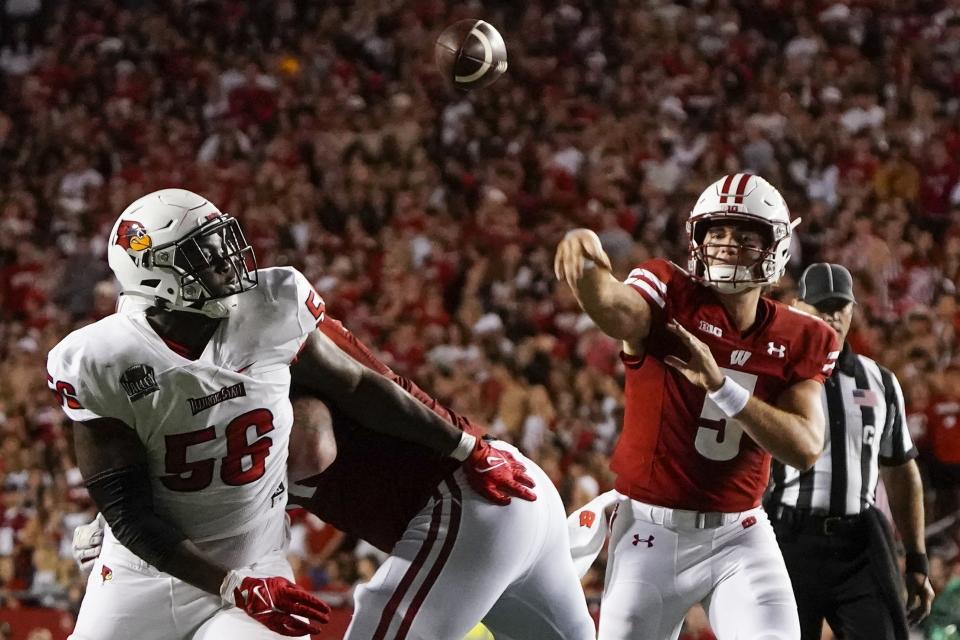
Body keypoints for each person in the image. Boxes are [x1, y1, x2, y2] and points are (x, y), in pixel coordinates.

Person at [48, 189, 534, 640]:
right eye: (201, 251)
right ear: (151, 273)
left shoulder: (270, 304)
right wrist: (230, 586)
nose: (224, 257)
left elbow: (362, 384)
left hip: (256, 562)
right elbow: (129, 512)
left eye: (220, 240)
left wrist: (466, 445)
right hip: (145, 575)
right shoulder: (104, 358)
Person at [73, 311, 596, 640]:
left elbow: (353, 408)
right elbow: (204, 460)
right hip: (517, 490)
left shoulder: (273, 347)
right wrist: (113, 515)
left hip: (470, 504)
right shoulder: (248, 357)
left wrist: (468, 448)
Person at [555, 173, 840, 640]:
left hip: (740, 533)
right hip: (649, 531)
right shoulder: (669, 291)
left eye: (746, 235)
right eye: (718, 232)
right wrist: (586, 267)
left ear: (776, 245)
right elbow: (615, 307)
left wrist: (720, 385)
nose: (728, 244)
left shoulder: (802, 335)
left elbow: (805, 447)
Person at [765, 262, 935, 640]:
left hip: (860, 539)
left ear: (853, 310)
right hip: (787, 534)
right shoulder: (774, 373)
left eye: (840, 306)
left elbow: (900, 468)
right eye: (821, 306)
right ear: (798, 308)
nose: (831, 315)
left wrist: (917, 557)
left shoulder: (881, 380)